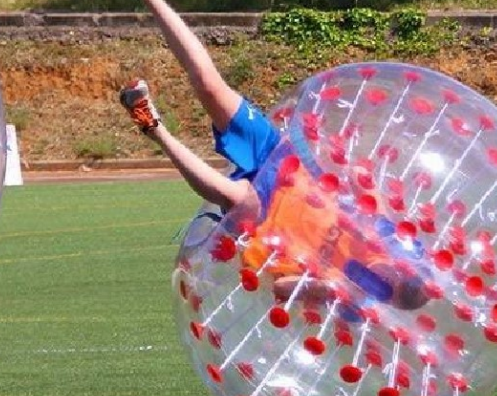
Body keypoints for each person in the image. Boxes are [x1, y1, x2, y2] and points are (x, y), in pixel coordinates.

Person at [119, 0, 430, 312]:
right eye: (397, 274)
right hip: (286, 167)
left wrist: (325, 289)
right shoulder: (380, 232)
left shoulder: (351, 303)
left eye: (389, 289)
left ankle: (153, 127)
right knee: (209, 86)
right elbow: (359, 176)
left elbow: (281, 288)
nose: (385, 278)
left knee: (238, 199)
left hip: (266, 224)